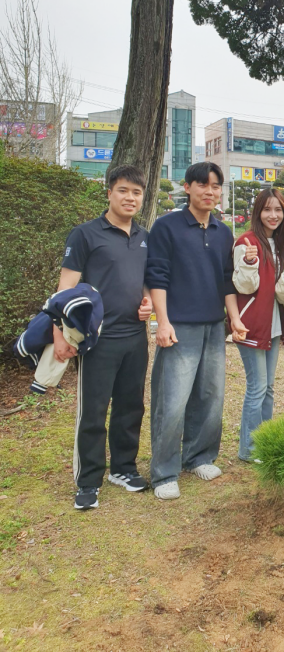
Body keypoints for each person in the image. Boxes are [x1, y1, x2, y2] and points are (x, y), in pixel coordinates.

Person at [147, 161, 246, 500]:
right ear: (187, 187)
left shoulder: (222, 231)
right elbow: (156, 276)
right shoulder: (167, 226)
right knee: (172, 400)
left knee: (210, 396)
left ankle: (199, 456)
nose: (210, 191)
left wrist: (234, 318)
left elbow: (227, 280)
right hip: (179, 326)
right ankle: (164, 471)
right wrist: (162, 321)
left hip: (213, 326)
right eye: (203, 184)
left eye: (216, 186)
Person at [57, 165, 152, 511]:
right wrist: (59, 334)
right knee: (93, 411)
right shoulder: (85, 234)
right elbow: (65, 288)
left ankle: (123, 468)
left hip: (135, 337)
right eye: (123, 190)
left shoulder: (144, 236)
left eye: (136, 192)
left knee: (131, 406)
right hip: (97, 339)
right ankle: (88, 480)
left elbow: (145, 281)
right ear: (109, 192)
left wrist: (148, 302)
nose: (130, 198)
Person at [232, 188, 284, 461]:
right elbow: (245, 286)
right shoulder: (246, 242)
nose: (273, 215)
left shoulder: (281, 245)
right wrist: (250, 262)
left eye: (278, 210)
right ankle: (249, 449)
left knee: (269, 388)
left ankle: (264, 442)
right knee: (257, 387)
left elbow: (281, 294)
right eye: (267, 209)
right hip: (251, 325)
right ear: (257, 212)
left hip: (273, 325)